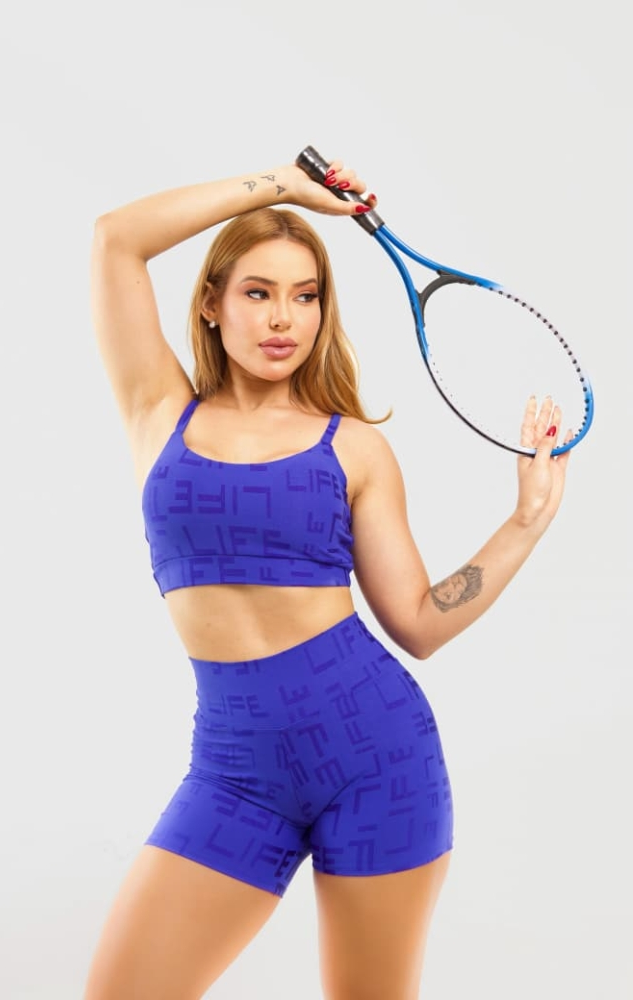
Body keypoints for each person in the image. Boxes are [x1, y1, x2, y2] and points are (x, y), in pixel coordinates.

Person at [84, 155, 570, 1000]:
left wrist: (525, 521)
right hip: (234, 772)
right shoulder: (158, 410)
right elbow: (115, 239)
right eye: (259, 292)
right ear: (211, 302)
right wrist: (282, 186)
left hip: (377, 759)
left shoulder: (354, 448)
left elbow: (418, 622)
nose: (285, 318)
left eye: (306, 296)